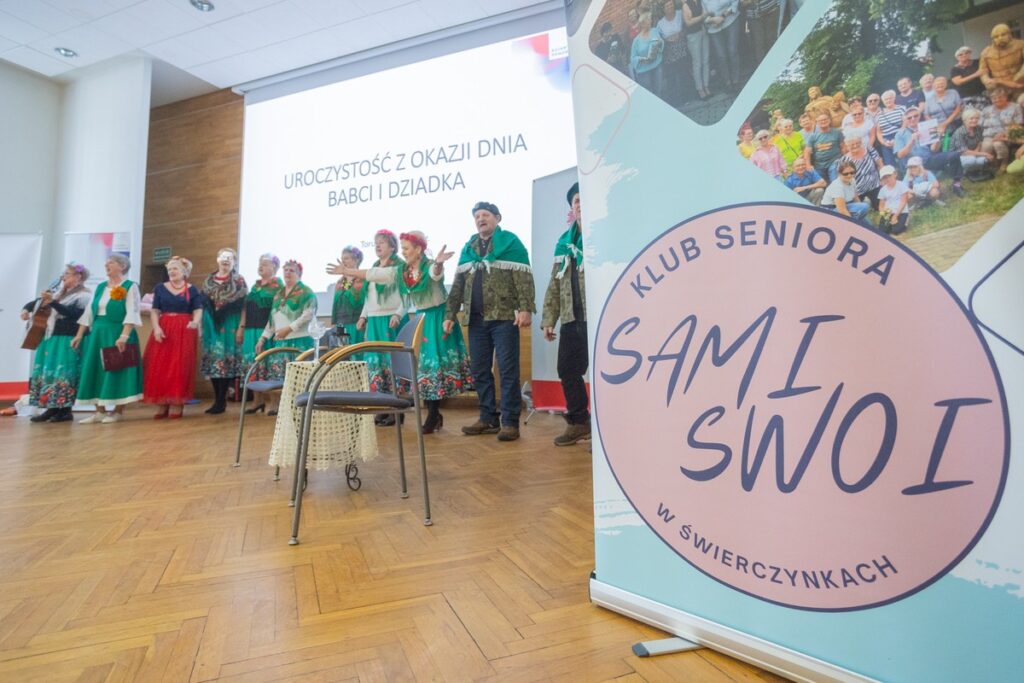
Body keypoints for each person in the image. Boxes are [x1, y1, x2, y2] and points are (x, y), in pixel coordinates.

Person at [329, 232, 473, 434]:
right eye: (403, 248)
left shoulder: (429, 265)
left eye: (406, 249)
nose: (404, 252)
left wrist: (439, 264)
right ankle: (433, 415)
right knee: (424, 368)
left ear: (418, 249)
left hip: (438, 317)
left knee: (436, 366)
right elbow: (378, 276)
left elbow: (435, 274)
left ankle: (434, 414)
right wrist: (347, 271)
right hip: (422, 318)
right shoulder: (402, 271)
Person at [444, 201, 535, 442]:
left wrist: (525, 308)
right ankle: (487, 418)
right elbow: (457, 284)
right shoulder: (469, 247)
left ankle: (509, 422)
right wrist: (449, 315)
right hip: (476, 319)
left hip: (504, 317)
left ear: (497, 218)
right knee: (480, 370)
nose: (480, 219)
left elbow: (524, 278)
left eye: (485, 215)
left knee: (507, 370)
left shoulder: (510, 243)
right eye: (477, 216)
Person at [541, 183, 591, 446]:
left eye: (584, 198)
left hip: (600, 318)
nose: (580, 203)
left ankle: (610, 430)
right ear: (572, 208)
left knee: (607, 373)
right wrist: (550, 318)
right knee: (567, 369)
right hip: (573, 319)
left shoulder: (603, 235)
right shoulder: (564, 242)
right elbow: (555, 283)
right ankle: (580, 422)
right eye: (575, 200)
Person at [72, 253, 143, 423]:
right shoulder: (101, 287)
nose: (106, 265)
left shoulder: (130, 286)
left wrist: (124, 336)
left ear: (122, 266)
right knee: (95, 368)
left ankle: (117, 411)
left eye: (111, 262)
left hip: (117, 332)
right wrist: (79, 335)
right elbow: (89, 313)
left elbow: (132, 312)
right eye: (106, 262)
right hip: (97, 333)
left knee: (118, 368)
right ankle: (99, 411)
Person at [27, 263, 91, 423]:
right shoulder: (59, 293)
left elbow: (75, 315)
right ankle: (52, 407)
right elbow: (37, 302)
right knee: (51, 372)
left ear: (78, 277)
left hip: (68, 337)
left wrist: (52, 303)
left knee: (64, 372)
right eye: (64, 274)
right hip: (53, 336)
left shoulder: (84, 295)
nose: (64, 277)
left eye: (67, 274)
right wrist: (26, 309)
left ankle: (65, 409)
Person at [355, 230, 406, 425]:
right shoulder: (374, 267)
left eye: (382, 243)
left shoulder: (400, 267)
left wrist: (398, 314)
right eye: (376, 243)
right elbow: (370, 297)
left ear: (392, 247)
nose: (377, 246)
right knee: (376, 363)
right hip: (375, 320)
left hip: (391, 319)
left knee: (392, 363)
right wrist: (363, 316)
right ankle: (383, 407)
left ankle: (397, 408)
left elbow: (407, 295)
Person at [142, 256, 203, 419]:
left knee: (179, 366)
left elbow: (198, 309)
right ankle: (162, 403)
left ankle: (177, 402)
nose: (171, 272)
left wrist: (195, 322)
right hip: (165, 327)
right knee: (161, 365)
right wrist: (156, 328)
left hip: (184, 328)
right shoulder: (160, 288)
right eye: (169, 269)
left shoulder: (192, 290)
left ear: (184, 271)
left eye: (175, 268)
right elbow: (155, 310)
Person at [255, 260, 316, 415]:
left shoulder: (307, 292)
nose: (288, 273)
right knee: (278, 375)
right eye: (286, 270)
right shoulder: (278, 295)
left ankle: (300, 407)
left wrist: (289, 329)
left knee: (299, 377)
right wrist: (263, 338)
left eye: (292, 270)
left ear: (299, 274)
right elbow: (272, 320)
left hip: (299, 340)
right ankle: (278, 407)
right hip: (280, 341)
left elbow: (308, 315)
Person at [200, 248, 248, 415]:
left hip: (231, 325)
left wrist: (241, 327)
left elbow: (244, 307)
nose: (226, 260)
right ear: (217, 260)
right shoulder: (208, 281)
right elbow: (204, 304)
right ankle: (217, 400)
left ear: (234, 262)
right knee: (214, 362)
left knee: (226, 363)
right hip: (211, 326)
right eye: (223, 257)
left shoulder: (239, 281)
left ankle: (222, 400)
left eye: (230, 258)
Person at [237, 253, 283, 414]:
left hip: (267, 332)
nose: (260, 266)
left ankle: (275, 402)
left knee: (269, 366)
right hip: (250, 330)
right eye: (259, 263)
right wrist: (241, 328)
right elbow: (245, 308)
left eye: (265, 263)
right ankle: (257, 401)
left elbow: (279, 310)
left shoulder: (279, 285)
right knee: (253, 364)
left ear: (274, 268)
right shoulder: (255, 286)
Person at [893, 108, 966, 195]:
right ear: (905, 119)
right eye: (909, 117)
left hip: (928, 159)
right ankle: (928, 192)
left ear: (919, 116)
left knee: (954, 155)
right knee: (934, 191)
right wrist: (911, 141)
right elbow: (900, 155)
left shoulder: (925, 128)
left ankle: (956, 185)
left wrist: (938, 138)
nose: (913, 119)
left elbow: (933, 149)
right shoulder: (900, 134)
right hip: (912, 165)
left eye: (915, 116)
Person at [981, 87, 1024, 173]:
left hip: (1008, 134)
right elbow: (982, 125)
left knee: (998, 144)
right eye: (994, 98)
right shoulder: (986, 110)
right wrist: (991, 135)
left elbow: (1019, 124)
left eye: (1000, 97)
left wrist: (1004, 133)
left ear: (1006, 97)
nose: (997, 100)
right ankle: (993, 163)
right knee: (986, 145)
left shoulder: (1015, 107)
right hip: (989, 135)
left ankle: (1004, 162)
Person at [330, 246, 366, 349]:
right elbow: (336, 305)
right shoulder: (339, 282)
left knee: (356, 353)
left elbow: (360, 301)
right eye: (342, 259)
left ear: (356, 260)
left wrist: (350, 279)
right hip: (341, 325)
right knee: (342, 356)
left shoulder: (362, 279)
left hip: (357, 323)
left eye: (346, 258)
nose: (343, 262)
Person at [979, 23, 1024, 101]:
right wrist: (987, 81)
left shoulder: (1020, 45)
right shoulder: (986, 53)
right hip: (999, 89)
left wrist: (1020, 75)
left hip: (1019, 85)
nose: (1000, 38)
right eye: (996, 37)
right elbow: (983, 72)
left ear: (1009, 34)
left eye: (1003, 35)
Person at [703, 0, 741, 92]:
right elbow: (703, 16)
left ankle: (736, 80)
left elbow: (735, 3)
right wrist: (713, 20)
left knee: (732, 51)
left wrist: (723, 16)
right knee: (721, 56)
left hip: (731, 20)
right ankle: (727, 82)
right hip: (714, 27)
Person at [839, 134, 883, 209]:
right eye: (852, 145)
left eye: (857, 143)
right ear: (847, 146)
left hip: (875, 186)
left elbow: (880, 165)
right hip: (857, 191)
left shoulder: (869, 150)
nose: (855, 146)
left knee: (880, 208)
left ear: (861, 143)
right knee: (860, 210)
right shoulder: (844, 160)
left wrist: (882, 180)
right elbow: (843, 179)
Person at [821, 160, 870, 224]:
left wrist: (861, 212)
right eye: (845, 173)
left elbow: (855, 197)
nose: (849, 175)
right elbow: (842, 210)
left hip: (847, 205)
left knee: (869, 226)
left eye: (852, 172)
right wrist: (852, 224)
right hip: (830, 211)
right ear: (839, 174)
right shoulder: (837, 186)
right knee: (864, 206)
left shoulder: (852, 180)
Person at [951, 108, 995, 179]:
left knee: (985, 159)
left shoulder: (979, 128)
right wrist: (985, 154)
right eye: (971, 118)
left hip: (972, 153)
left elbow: (980, 142)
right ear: (965, 120)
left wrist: (976, 152)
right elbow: (964, 152)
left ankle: (974, 170)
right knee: (972, 159)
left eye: (976, 118)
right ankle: (962, 171)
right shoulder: (959, 132)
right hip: (958, 156)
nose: (974, 120)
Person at [657, 1, 686, 105]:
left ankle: (687, 97)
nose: (670, 7)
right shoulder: (660, 23)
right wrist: (667, 40)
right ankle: (676, 102)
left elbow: (686, 26)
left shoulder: (680, 13)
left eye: (671, 4)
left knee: (684, 73)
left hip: (682, 48)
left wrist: (680, 35)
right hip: (669, 53)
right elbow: (659, 38)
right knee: (672, 77)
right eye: (667, 6)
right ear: (663, 9)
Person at [630, 11, 665, 96]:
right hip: (644, 71)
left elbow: (661, 44)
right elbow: (633, 58)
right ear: (643, 24)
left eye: (650, 19)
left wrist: (660, 43)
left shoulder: (655, 31)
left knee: (658, 91)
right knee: (649, 95)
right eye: (648, 19)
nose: (650, 21)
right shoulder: (636, 41)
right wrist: (642, 59)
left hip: (656, 66)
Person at [804, 112, 844, 181]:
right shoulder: (813, 136)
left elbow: (843, 147)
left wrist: (845, 160)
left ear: (829, 120)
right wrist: (808, 165)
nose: (823, 121)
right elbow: (807, 151)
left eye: (825, 119)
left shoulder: (837, 132)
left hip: (834, 162)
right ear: (817, 123)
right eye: (821, 120)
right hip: (819, 165)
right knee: (821, 185)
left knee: (834, 181)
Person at [682, 0, 710, 99]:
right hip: (693, 36)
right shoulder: (686, 4)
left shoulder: (699, 1)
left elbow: (704, 15)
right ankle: (700, 89)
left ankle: (706, 85)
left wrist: (700, 19)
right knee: (697, 63)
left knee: (705, 60)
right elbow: (688, 22)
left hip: (702, 31)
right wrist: (701, 17)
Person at [876, 165, 912, 235]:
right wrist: (885, 215)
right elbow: (881, 206)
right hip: (889, 212)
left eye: (889, 176)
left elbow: (903, 201)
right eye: (884, 177)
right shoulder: (883, 190)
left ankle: (905, 221)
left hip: (901, 211)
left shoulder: (902, 185)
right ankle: (890, 225)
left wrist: (895, 216)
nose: (887, 179)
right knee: (882, 232)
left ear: (895, 174)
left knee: (896, 231)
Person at [874, 90, 907, 166]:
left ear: (894, 98)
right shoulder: (879, 114)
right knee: (889, 164)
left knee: (903, 161)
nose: (888, 100)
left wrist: (897, 139)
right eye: (886, 99)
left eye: (890, 98)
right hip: (886, 140)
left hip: (900, 136)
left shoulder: (901, 108)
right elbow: (878, 132)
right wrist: (884, 142)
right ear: (883, 101)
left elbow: (905, 124)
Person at [743, 0, 780, 66]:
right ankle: (764, 70)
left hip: (771, 9)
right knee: (759, 44)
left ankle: (776, 65)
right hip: (754, 17)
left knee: (772, 40)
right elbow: (742, 3)